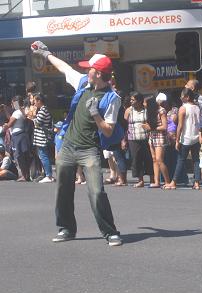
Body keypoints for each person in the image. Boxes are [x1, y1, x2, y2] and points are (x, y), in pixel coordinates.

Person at [31, 40, 123, 246]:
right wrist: (45, 54)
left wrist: (95, 114)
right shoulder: (83, 82)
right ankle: (66, 229)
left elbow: (108, 129)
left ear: (98, 73)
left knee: (97, 191)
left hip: (89, 149)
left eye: (89, 68)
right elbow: (64, 67)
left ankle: (110, 232)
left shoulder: (112, 98)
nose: (86, 71)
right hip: (68, 145)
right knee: (63, 189)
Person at [165, 88, 201, 190]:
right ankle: (197, 182)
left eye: (182, 96)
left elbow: (180, 126)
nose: (181, 97)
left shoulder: (183, 108)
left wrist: (177, 140)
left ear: (187, 97)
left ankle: (174, 182)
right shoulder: (197, 107)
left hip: (186, 138)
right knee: (196, 160)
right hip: (196, 137)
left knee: (181, 159)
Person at [125, 91, 154, 188]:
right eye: (131, 100)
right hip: (133, 138)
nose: (131, 102)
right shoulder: (129, 111)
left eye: (133, 100)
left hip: (146, 138)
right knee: (136, 159)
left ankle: (152, 179)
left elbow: (152, 122)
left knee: (148, 158)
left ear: (139, 101)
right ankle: (140, 180)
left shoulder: (146, 110)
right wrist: (124, 139)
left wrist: (149, 126)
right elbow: (125, 125)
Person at [3, 96, 32, 182]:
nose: (11, 105)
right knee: (23, 155)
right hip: (22, 135)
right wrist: (5, 109)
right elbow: (11, 118)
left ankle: (23, 175)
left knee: (19, 156)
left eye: (12, 103)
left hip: (18, 136)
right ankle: (27, 175)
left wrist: (5, 126)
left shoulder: (17, 112)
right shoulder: (20, 112)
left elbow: (9, 124)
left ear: (15, 103)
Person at [144, 96, 170, 188]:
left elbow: (165, 126)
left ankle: (167, 182)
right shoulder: (149, 111)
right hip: (152, 136)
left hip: (160, 136)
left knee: (159, 159)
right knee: (154, 159)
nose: (144, 105)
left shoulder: (161, 111)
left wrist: (151, 128)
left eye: (145, 103)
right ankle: (156, 181)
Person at [32, 93, 55, 183]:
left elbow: (37, 123)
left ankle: (48, 175)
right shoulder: (43, 109)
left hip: (42, 137)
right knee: (43, 155)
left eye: (35, 100)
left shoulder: (43, 110)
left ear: (39, 101)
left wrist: (32, 116)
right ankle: (48, 174)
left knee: (43, 155)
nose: (34, 102)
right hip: (41, 137)